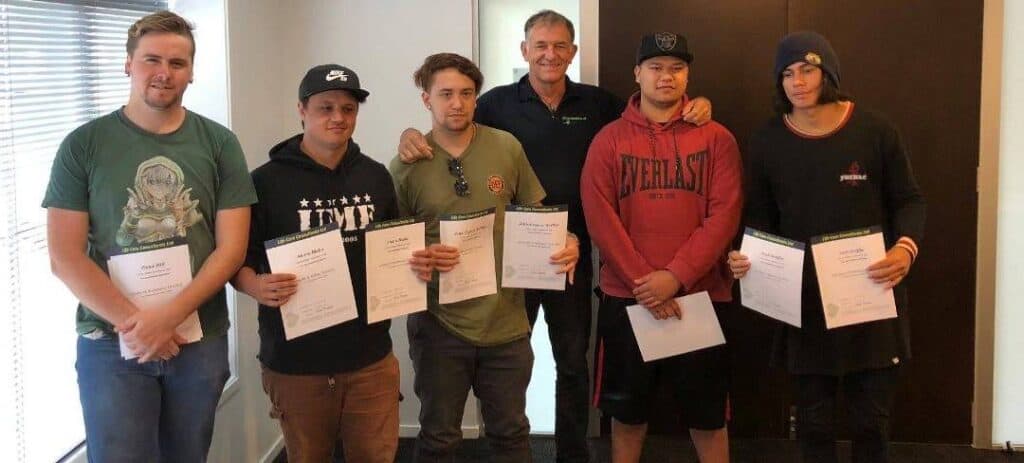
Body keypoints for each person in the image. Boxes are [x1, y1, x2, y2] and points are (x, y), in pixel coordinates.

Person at [396, 11, 711, 462]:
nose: (550, 54)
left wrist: (700, 106)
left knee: (572, 360)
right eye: (540, 45)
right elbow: (450, 129)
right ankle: (509, 439)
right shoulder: (495, 104)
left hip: (570, 252)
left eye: (560, 45)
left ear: (573, 52)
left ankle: (571, 454)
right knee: (508, 359)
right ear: (525, 51)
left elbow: (654, 110)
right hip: (505, 258)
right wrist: (409, 132)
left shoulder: (599, 103)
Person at [42, 10, 257, 461]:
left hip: (198, 339)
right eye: (151, 60)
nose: (164, 73)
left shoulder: (219, 144)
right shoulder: (83, 145)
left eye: (177, 63)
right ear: (128, 63)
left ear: (192, 71)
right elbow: (65, 256)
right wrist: (138, 325)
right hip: (109, 343)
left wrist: (168, 318)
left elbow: (232, 248)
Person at [727, 31, 926, 463]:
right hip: (802, 306)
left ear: (828, 73)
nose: (797, 81)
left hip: (869, 298)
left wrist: (904, 249)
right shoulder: (766, 142)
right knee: (813, 427)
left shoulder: (875, 130)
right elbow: (759, 220)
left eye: (808, 69)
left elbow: (910, 200)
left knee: (870, 424)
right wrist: (747, 257)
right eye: (787, 73)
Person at [231, 64, 431, 463]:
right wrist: (254, 285)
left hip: (369, 356)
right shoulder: (264, 182)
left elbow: (391, 247)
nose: (338, 117)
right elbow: (236, 260)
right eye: (325, 107)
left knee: (375, 456)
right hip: (296, 362)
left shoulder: (375, 176)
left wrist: (414, 264)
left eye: (348, 108)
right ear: (302, 110)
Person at [390, 52, 580, 463]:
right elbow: (391, 251)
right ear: (426, 100)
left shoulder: (505, 147)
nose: (456, 103)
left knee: (511, 435)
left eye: (466, 93)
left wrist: (569, 240)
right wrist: (416, 258)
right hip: (439, 324)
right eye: (445, 94)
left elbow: (537, 216)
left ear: (477, 97)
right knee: (439, 438)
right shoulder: (406, 167)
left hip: (507, 322)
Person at [580, 32, 742, 463]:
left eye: (676, 68)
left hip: (700, 298)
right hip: (628, 299)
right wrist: (645, 283)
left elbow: (724, 216)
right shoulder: (609, 140)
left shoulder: (717, 139)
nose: (665, 76)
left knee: (708, 419)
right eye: (655, 67)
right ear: (637, 74)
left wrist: (675, 277)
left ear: (687, 74)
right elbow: (600, 217)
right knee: (627, 416)